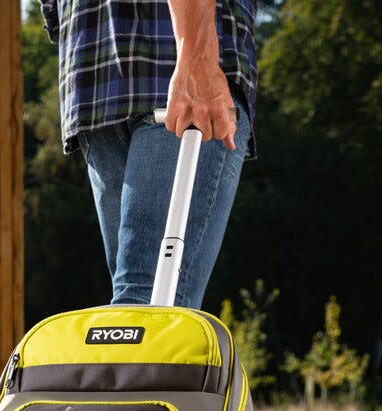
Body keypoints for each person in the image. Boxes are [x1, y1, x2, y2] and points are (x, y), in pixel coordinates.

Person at [39, 0, 256, 309]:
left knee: (140, 305)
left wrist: (197, 59)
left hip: (128, 68)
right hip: (131, 68)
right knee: (145, 308)